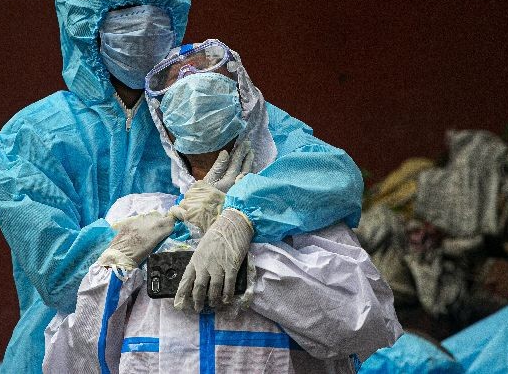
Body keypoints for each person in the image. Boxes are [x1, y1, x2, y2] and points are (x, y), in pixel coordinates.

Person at [0, 0, 363, 372]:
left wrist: (243, 214)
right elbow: (61, 275)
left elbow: (333, 175)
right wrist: (180, 231)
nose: (145, 27)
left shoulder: (201, 105)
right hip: (69, 357)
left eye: (157, 13)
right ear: (84, 24)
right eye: (126, 13)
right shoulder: (32, 136)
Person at [42, 41, 402, 372]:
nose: (191, 78)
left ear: (247, 111)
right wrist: (111, 272)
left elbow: (367, 326)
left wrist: (250, 269)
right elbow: (70, 363)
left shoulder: (297, 217)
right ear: (167, 136)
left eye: (206, 73)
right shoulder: (136, 215)